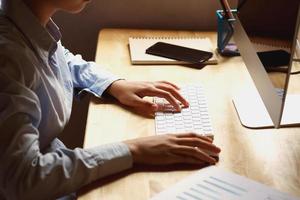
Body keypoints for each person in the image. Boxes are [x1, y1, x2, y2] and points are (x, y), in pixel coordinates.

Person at [0, 0, 221, 199]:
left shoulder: (27, 24)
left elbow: (57, 57)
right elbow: (24, 180)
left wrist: (112, 85)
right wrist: (134, 150)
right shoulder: (8, 57)